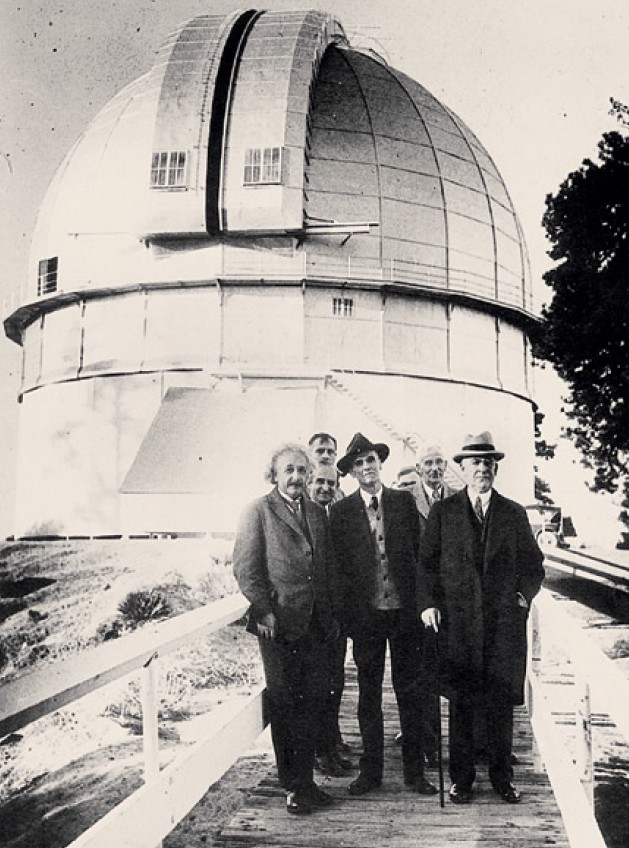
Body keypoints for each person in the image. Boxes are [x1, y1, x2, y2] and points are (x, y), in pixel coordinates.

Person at [419, 431, 544, 805]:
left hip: (502, 627)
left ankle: (502, 778)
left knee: (500, 704)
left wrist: (522, 599)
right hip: (458, 627)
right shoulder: (444, 513)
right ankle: (462, 780)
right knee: (461, 703)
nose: (482, 469)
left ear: (496, 469)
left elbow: (534, 566)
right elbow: (426, 566)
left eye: (488, 463)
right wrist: (428, 604)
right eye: (475, 463)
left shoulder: (513, 513)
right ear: (463, 468)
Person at [233, 444, 339, 816]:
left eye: (301, 470)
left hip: (315, 625)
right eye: (288, 470)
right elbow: (246, 569)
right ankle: (292, 787)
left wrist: (330, 615)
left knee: (312, 704)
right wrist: (264, 611)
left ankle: (307, 782)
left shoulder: (317, 511)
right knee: (285, 705)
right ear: (275, 474)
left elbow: (326, 567)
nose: (296, 477)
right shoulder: (258, 511)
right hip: (278, 627)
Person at [330, 432, 437, 797]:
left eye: (371, 461)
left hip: (404, 615)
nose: (366, 468)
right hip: (367, 618)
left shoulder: (403, 502)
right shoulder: (341, 512)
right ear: (352, 472)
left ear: (380, 464)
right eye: (359, 463)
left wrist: (425, 603)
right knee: (369, 694)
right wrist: (348, 617)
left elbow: (421, 558)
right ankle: (371, 773)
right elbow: (338, 570)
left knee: (410, 692)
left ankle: (414, 773)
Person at [395, 446, 455, 764]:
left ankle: (470, 743)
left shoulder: (458, 498)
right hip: (418, 598)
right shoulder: (405, 500)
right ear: (418, 469)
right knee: (423, 671)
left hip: (453, 600)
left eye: (439, 463)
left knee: (456, 668)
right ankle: (428, 742)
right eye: (428, 463)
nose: (434, 468)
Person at [307, 462, 353, 777]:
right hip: (312, 620)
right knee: (317, 687)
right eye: (320, 482)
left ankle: (330, 743)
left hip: (335, 617)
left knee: (335, 682)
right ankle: (320, 751)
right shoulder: (306, 515)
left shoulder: (332, 514)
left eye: (331, 483)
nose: (325, 488)